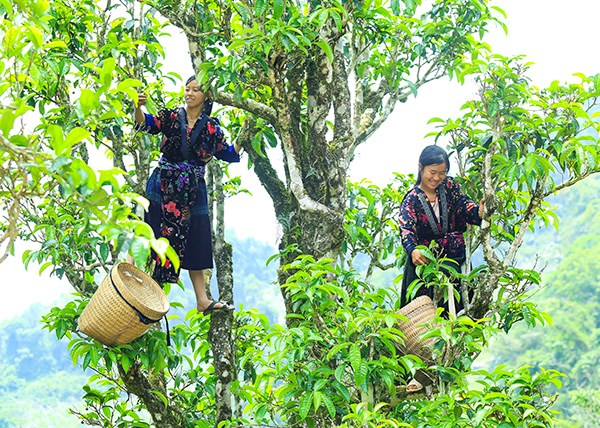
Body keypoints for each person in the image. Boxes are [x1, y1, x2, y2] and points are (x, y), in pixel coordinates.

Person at [134, 75, 242, 315]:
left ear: (206, 97)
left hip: (192, 190)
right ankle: (134, 287)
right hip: (163, 183)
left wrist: (247, 134)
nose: (190, 93)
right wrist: (137, 106)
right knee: (151, 232)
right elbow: (145, 124)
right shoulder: (171, 117)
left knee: (197, 239)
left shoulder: (212, 127)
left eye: (196, 90)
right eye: (187, 89)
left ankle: (202, 300)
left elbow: (228, 154)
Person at [399, 145, 484, 315]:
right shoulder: (411, 200)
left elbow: (464, 205)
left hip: (455, 261)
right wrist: (413, 250)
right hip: (426, 266)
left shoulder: (450, 187)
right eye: (432, 172)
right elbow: (406, 229)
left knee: (463, 314)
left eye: (442, 172)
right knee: (425, 319)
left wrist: (479, 212)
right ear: (420, 167)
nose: (437, 178)